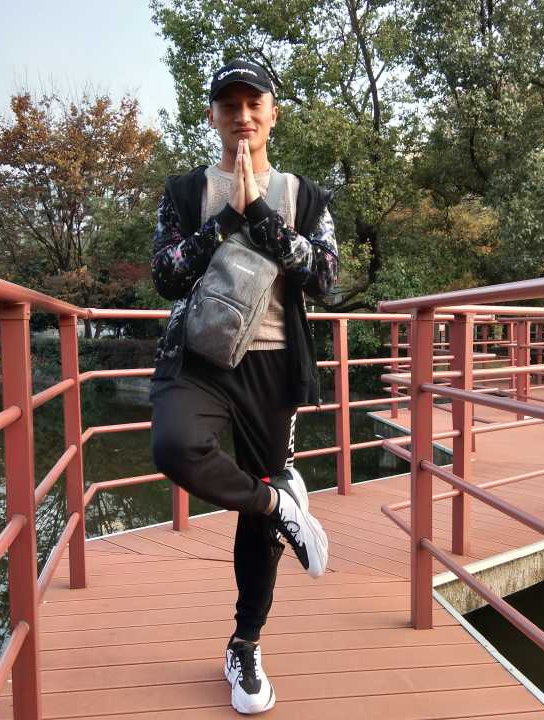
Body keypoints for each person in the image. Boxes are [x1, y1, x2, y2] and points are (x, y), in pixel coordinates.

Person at [149, 58, 339, 715]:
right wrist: (222, 221)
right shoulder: (183, 190)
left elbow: (325, 278)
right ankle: (277, 503)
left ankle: (245, 644)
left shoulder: (305, 195)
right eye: (229, 106)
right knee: (175, 447)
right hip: (197, 361)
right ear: (212, 116)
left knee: (256, 530)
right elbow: (165, 276)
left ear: (272, 113)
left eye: (254, 104)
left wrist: (258, 211)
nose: (242, 116)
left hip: (273, 367)